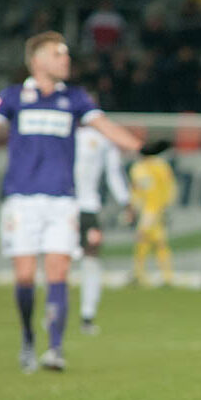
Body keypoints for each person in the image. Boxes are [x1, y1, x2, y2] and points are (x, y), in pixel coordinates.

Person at [0, 31, 142, 371]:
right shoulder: (12, 97)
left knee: (59, 272)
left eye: (65, 54)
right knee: (24, 278)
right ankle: (27, 338)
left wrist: (141, 148)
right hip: (21, 200)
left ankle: (54, 348)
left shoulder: (76, 99)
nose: (65, 60)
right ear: (36, 61)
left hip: (63, 200)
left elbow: (106, 126)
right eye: (57, 54)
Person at [74, 124, 132, 335]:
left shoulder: (104, 138)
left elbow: (114, 173)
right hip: (62, 207)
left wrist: (126, 202)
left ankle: (87, 316)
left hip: (89, 207)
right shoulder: (62, 131)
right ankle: (53, 312)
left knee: (91, 259)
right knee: (57, 262)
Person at [130, 144, 176, 286]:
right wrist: (133, 207)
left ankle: (164, 276)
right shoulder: (138, 169)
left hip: (155, 209)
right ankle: (142, 274)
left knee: (154, 241)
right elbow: (136, 190)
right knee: (149, 241)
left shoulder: (160, 167)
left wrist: (166, 206)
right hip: (146, 210)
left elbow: (169, 187)